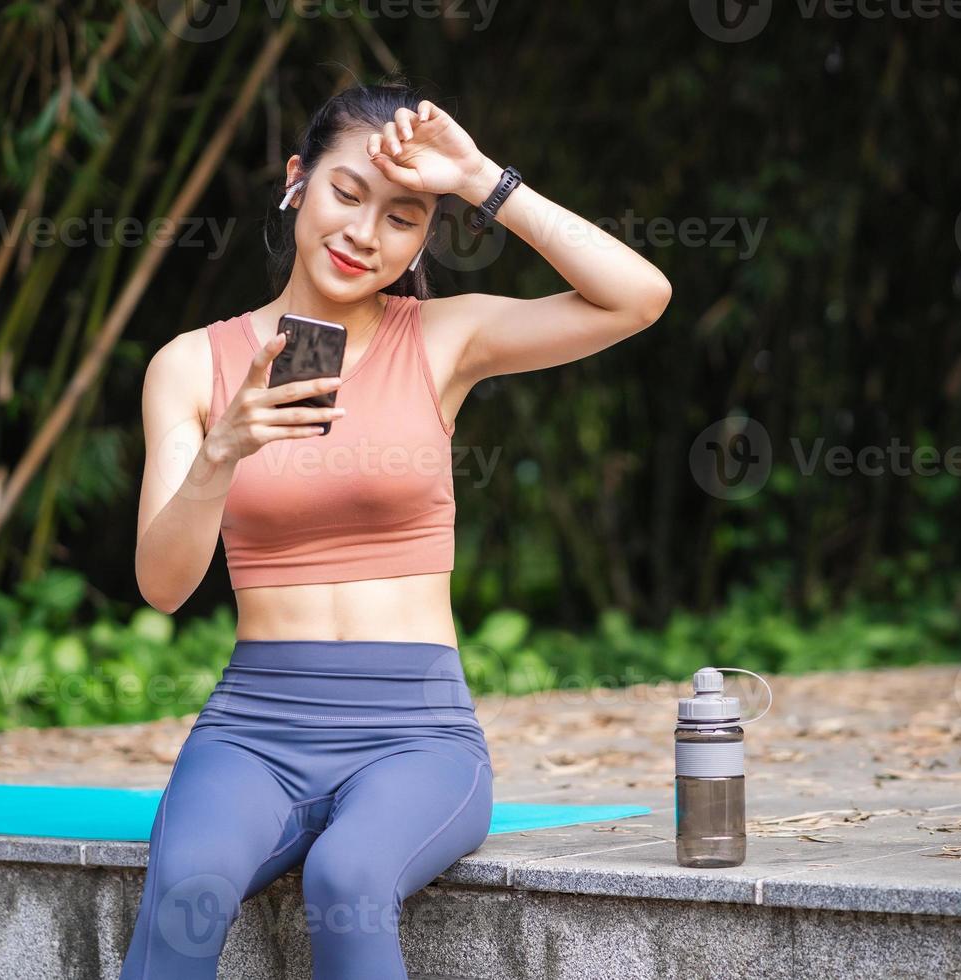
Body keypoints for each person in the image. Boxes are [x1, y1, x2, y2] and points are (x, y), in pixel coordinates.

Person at [125, 78, 672, 979]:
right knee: (186, 887)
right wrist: (219, 454)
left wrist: (482, 180)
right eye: (346, 193)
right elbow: (162, 584)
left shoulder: (442, 340)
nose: (363, 235)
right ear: (296, 180)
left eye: (404, 216)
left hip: (414, 734)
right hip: (255, 726)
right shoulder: (191, 365)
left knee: (348, 877)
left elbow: (638, 297)